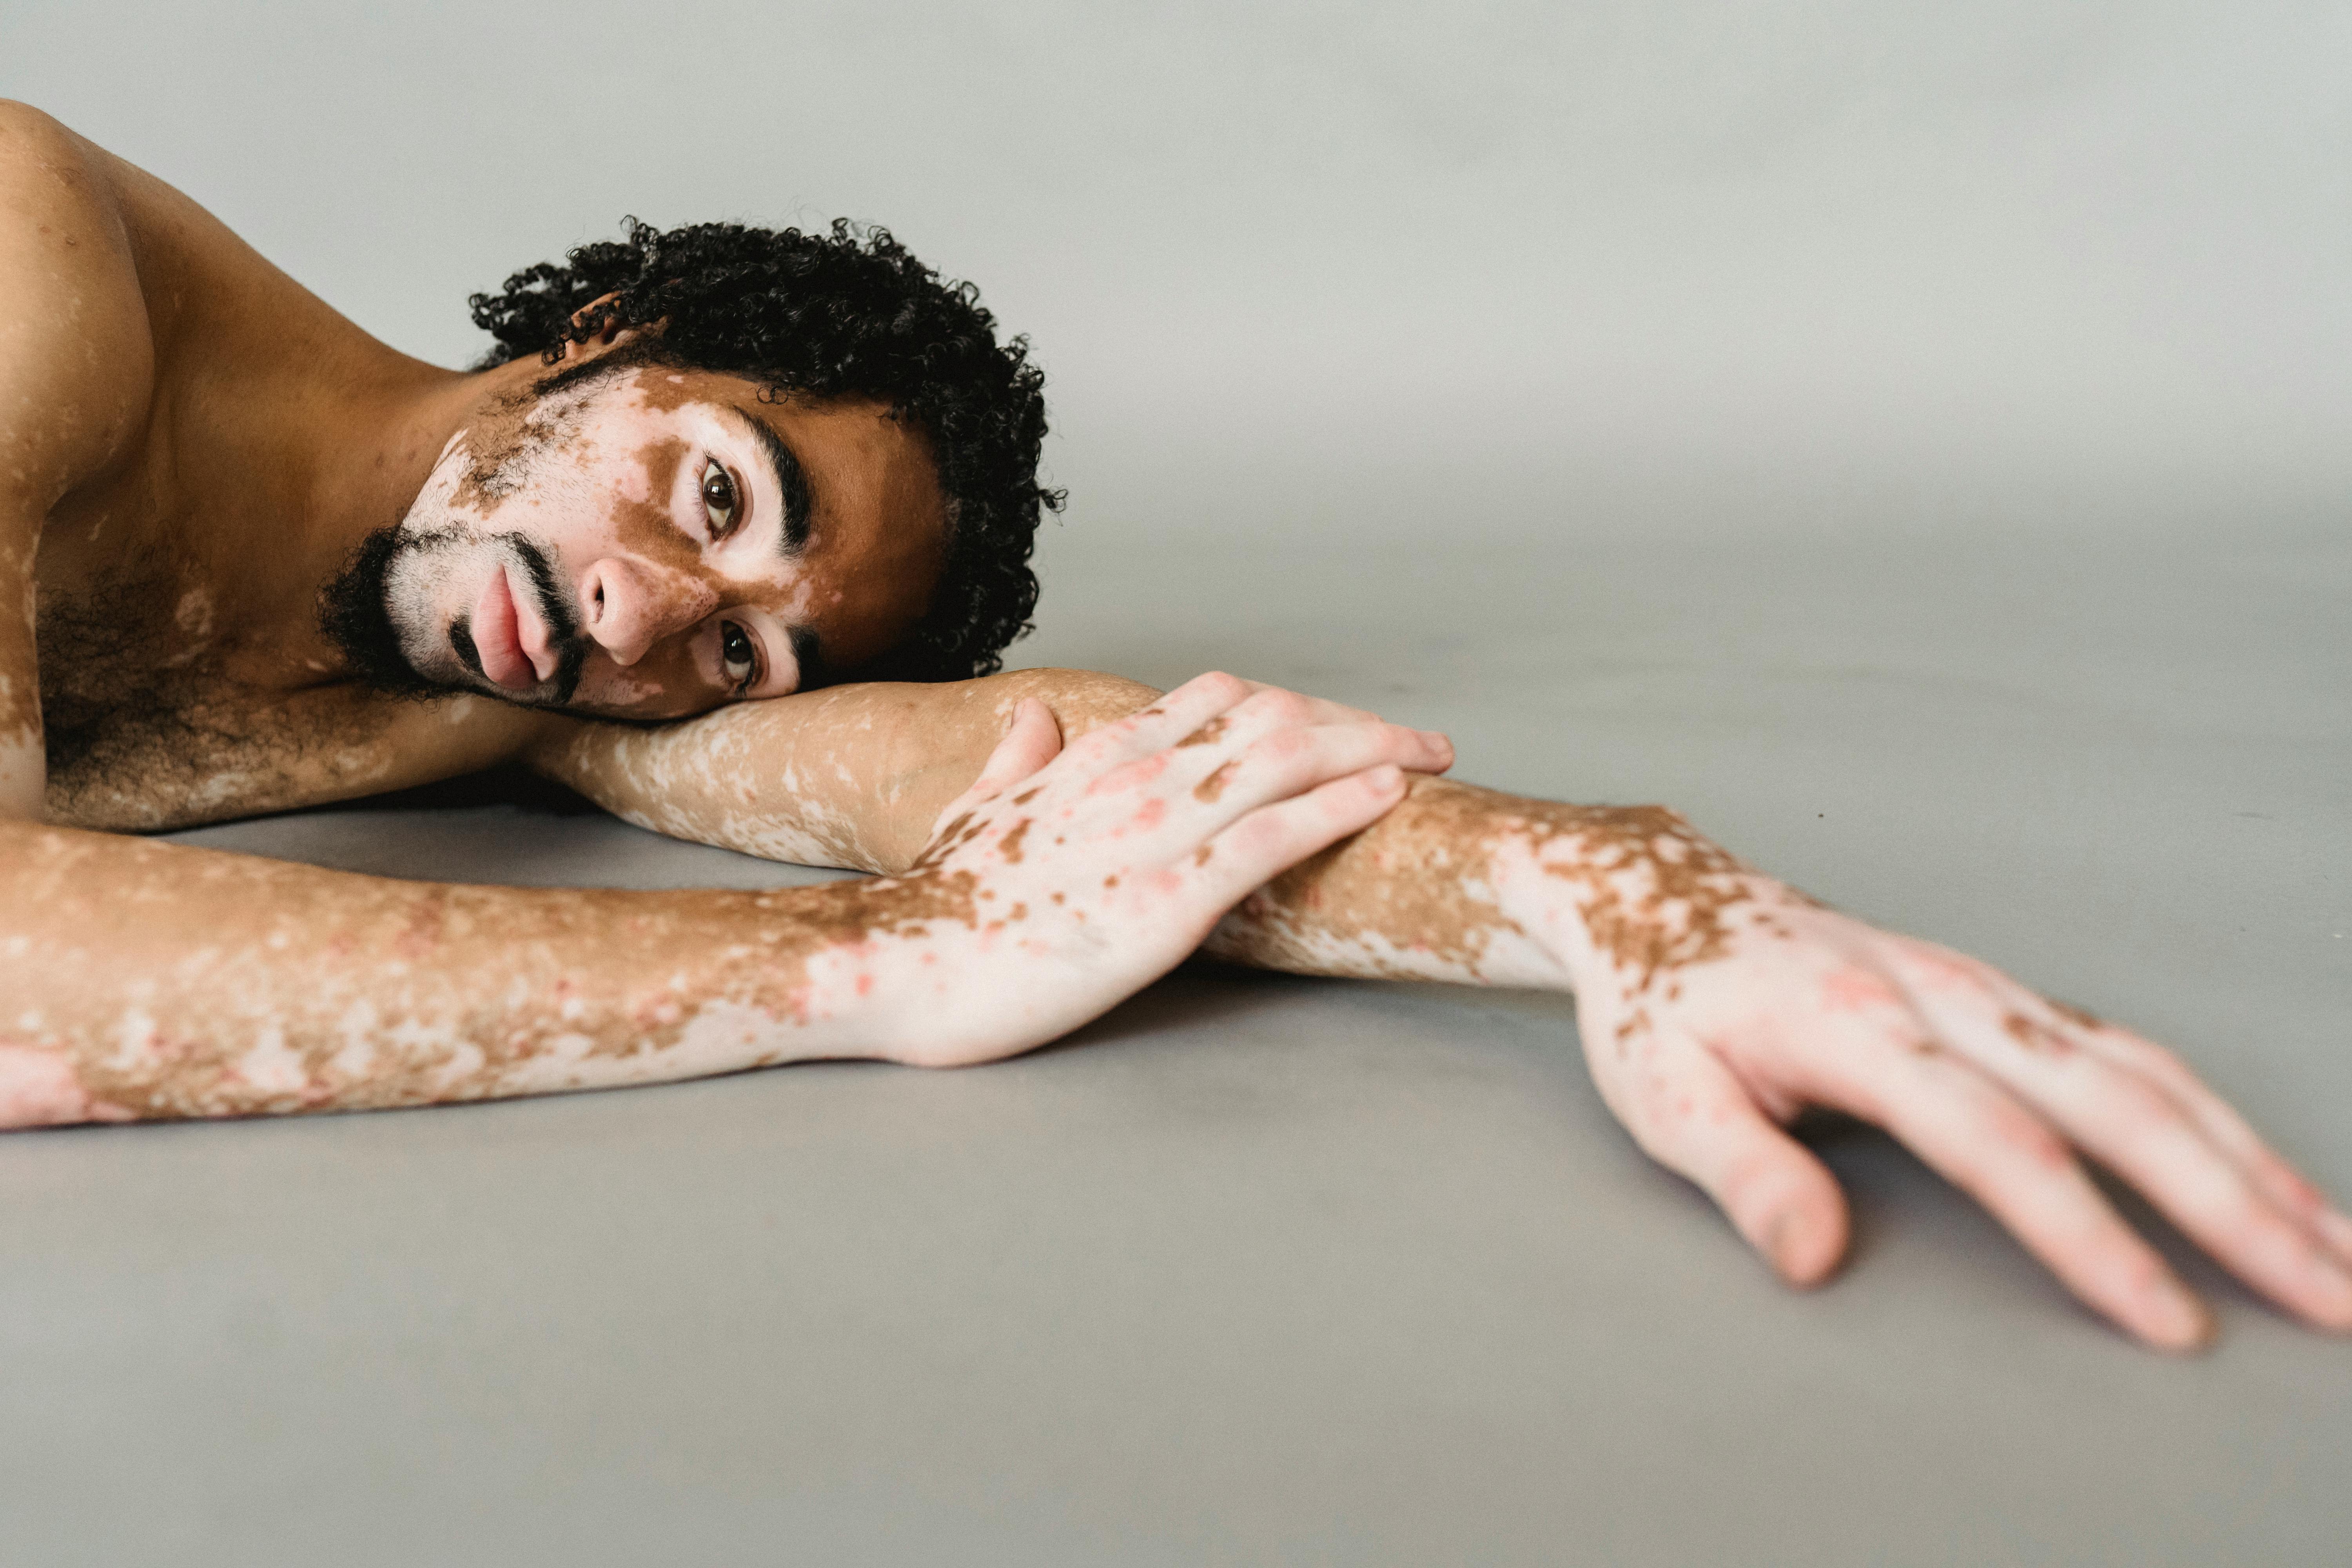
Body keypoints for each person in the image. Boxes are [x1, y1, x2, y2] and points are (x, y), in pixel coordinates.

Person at [2, 100, 2344, 1354]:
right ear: (597, 333)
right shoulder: (39, 273)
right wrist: (865, 981)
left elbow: (1071, 782)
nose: (651, 617)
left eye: (742, 648)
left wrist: (1650, 909)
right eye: (715, 488)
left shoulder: (515, 676)